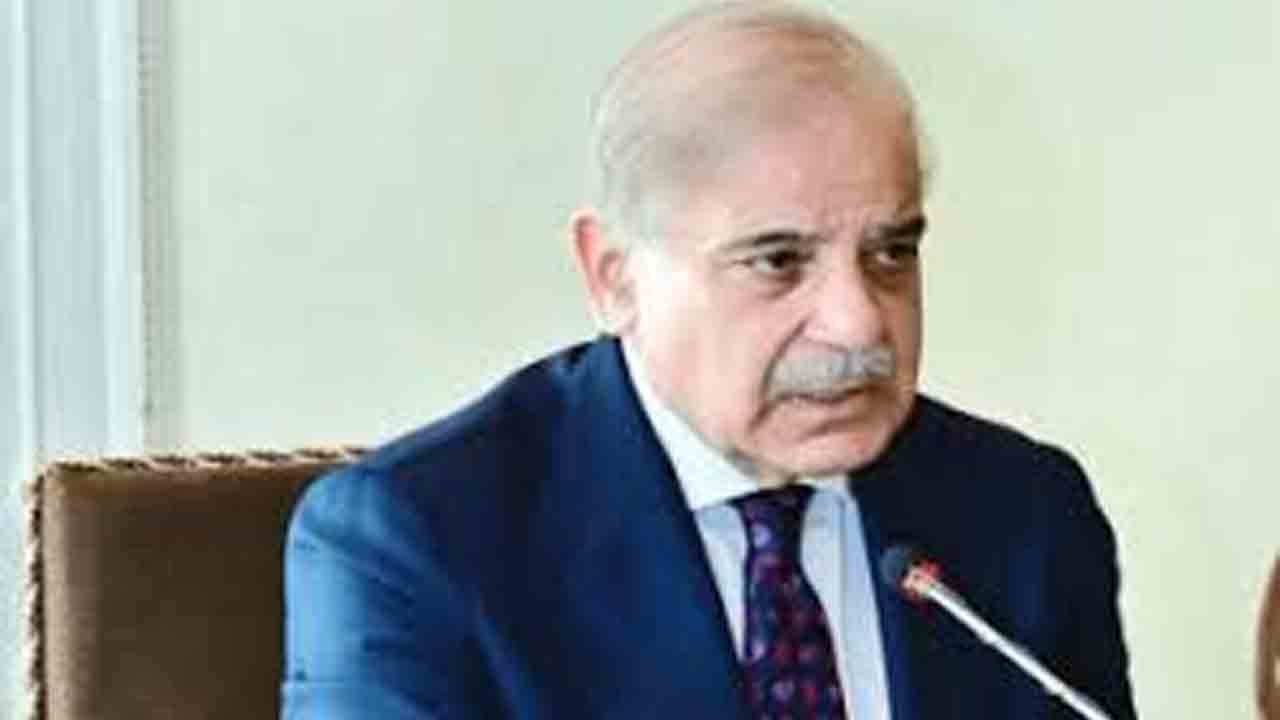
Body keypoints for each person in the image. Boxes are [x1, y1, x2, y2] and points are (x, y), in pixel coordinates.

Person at [281, 2, 1137, 718]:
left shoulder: (1023, 516)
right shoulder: (418, 544)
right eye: (779, 261)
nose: (858, 324)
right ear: (614, 276)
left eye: (891, 252)